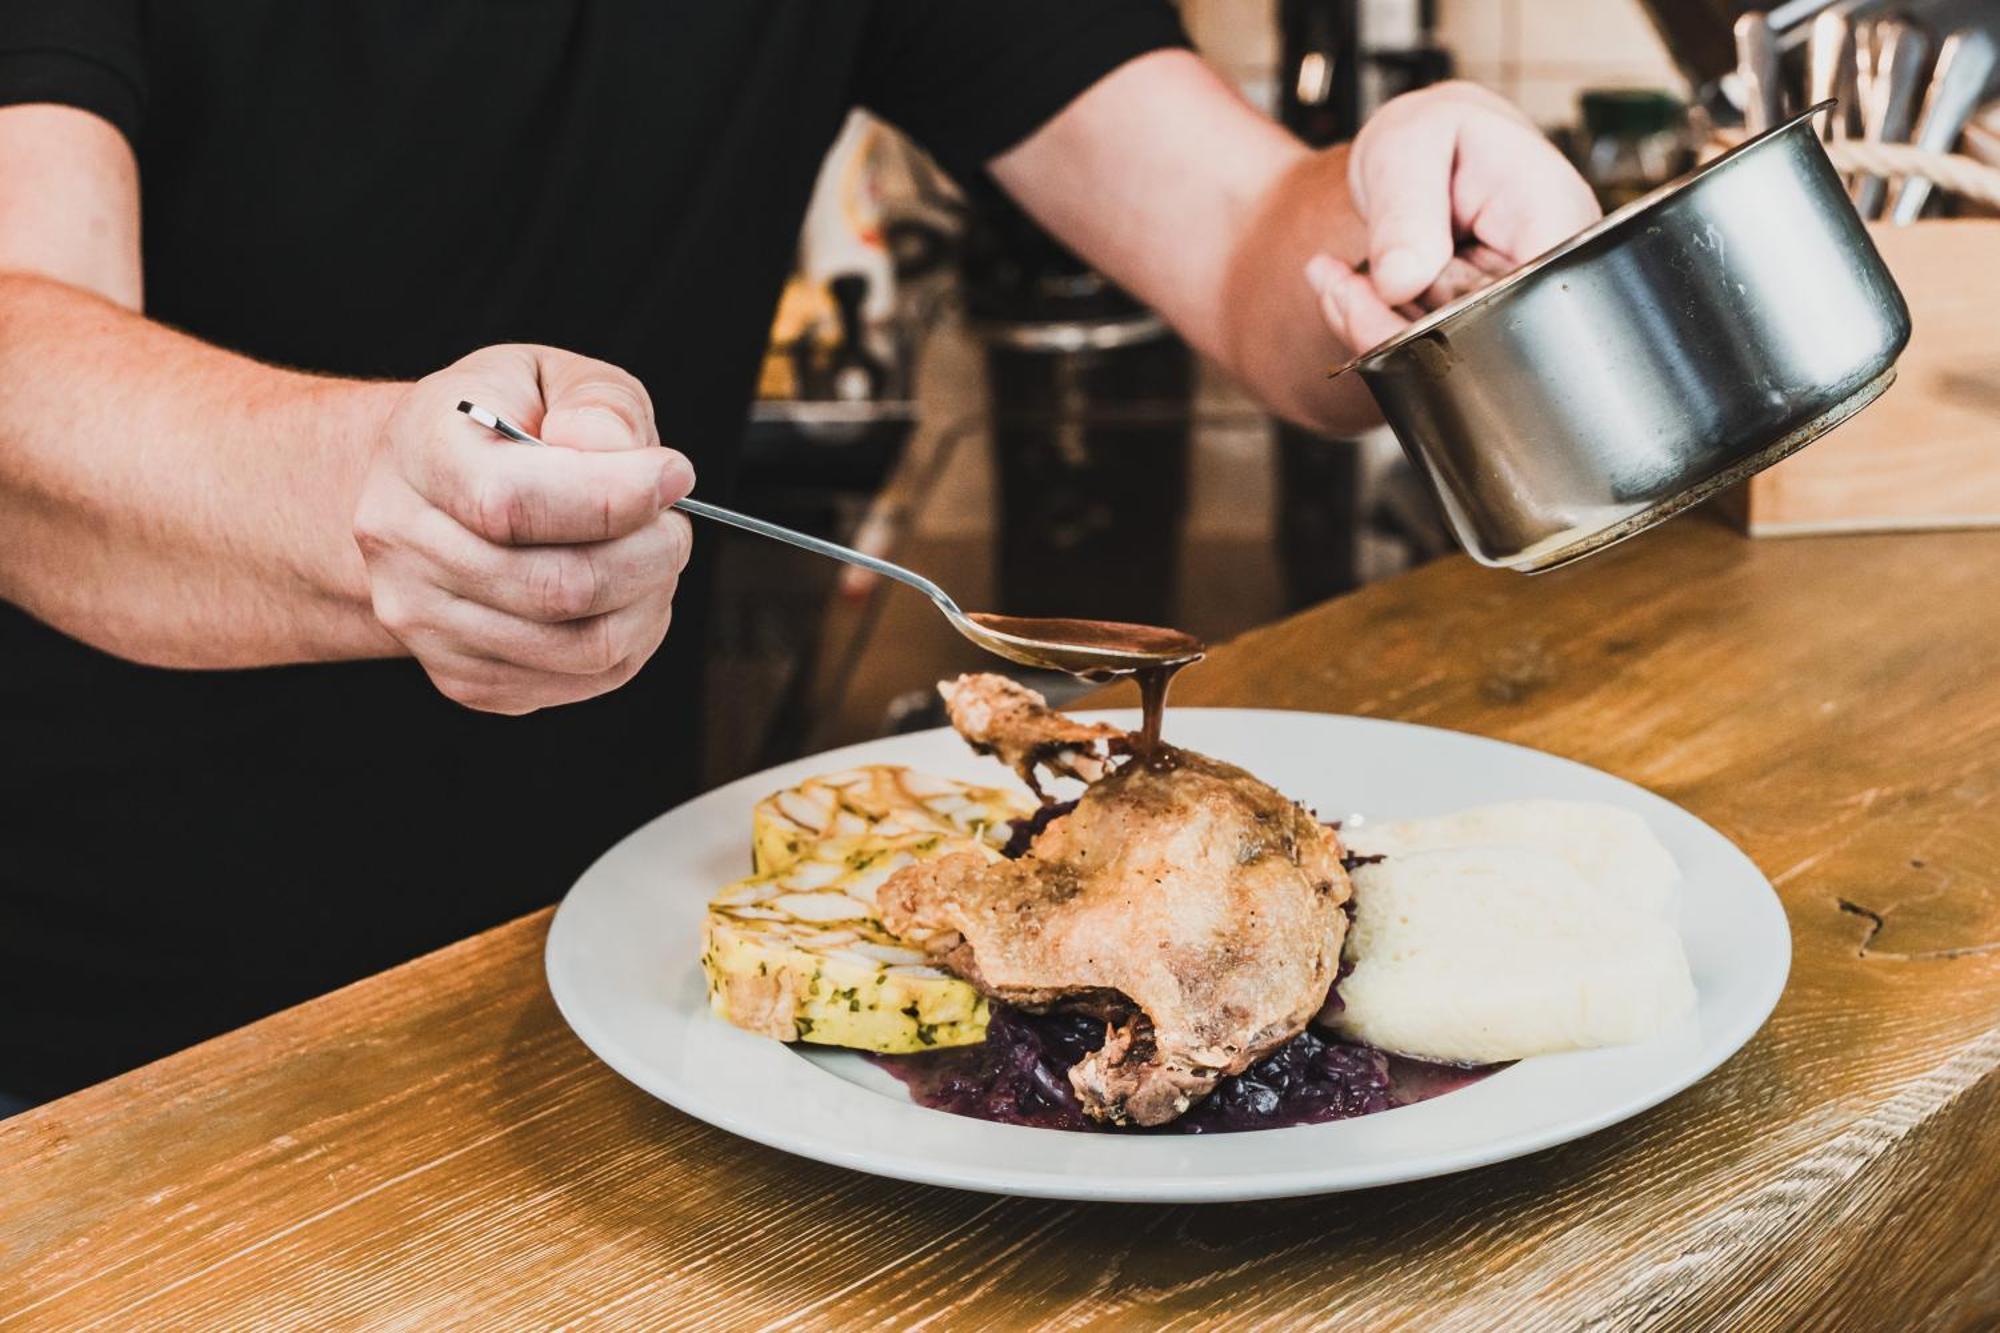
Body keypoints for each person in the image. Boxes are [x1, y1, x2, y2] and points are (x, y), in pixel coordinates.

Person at [0, 3, 1599, 1110]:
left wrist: (1415, 227)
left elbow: (1254, 252)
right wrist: (373, 496)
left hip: (601, 973)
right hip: (106, 1031)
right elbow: (24, 362)